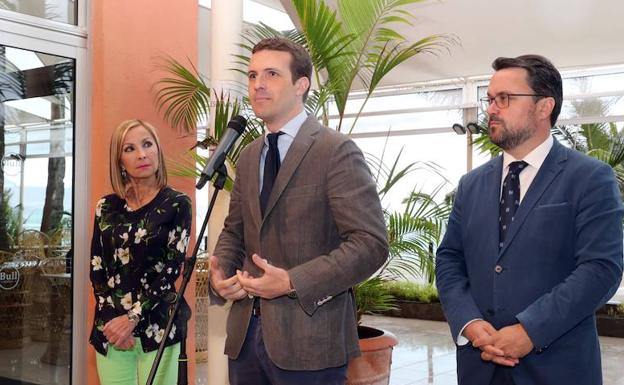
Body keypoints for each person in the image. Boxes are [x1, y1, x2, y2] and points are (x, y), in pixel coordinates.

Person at [208, 37, 388, 385]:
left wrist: (292, 282)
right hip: (245, 340)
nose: (258, 84)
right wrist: (222, 274)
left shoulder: (335, 151)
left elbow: (370, 244)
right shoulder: (247, 156)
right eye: (252, 75)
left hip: (311, 344)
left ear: (301, 85)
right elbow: (235, 231)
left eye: (272, 74)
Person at [436, 54, 624, 385]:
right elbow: (450, 259)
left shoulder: (591, 177)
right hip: (479, 367)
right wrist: (467, 322)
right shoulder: (471, 184)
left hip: (556, 369)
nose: (491, 108)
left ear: (543, 106)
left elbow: (601, 268)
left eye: (504, 99)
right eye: (490, 99)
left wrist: (530, 330)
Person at [89, 119, 192, 385]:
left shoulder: (177, 204)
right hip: (111, 330)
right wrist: (114, 320)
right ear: (120, 161)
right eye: (130, 148)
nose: (142, 154)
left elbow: (170, 272)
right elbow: (97, 268)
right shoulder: (106, 206)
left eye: (147, 144)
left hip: (157, 328)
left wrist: (133, 317)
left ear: (158, 149)